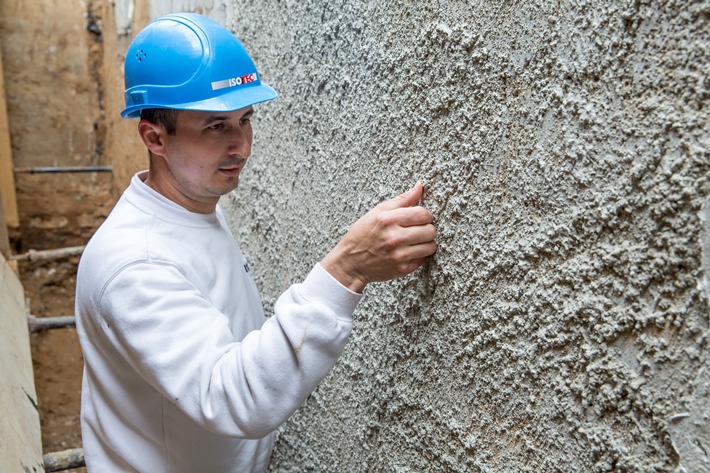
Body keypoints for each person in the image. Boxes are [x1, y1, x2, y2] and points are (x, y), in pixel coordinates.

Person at [75, 12, 437, 473]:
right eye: (215, 126)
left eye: (245, 120)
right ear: (154, 136)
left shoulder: (192, 205)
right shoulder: (134, 264)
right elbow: (232, 399)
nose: (241, 145)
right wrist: (347, 270)